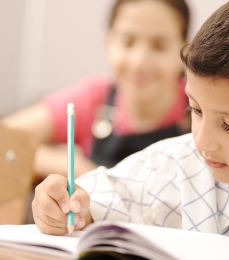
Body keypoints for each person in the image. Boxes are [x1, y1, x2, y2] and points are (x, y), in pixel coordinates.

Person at [32, 0, 229, 259]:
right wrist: (61, 207)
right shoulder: (171, 166)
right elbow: (92, 203)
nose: (202, 141)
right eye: (194, 109)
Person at [1, 0, 190, 180]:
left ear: (185, 50)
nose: (139, 62)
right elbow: (5, 139)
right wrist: (75, 167)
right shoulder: (94, 98)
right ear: (108, 43)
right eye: (128, 42)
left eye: (159, 46)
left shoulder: (200, 107)